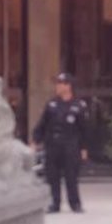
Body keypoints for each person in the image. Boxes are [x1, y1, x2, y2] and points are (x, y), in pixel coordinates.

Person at [33, 72, 89, 213]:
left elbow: (84, 129)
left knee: (71, 175)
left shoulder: (79, 105)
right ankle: (55, 203)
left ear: (68, 86)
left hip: (71, 145)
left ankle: (75, 203)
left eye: (60, 84)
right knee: (52, 176)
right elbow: (42, 124)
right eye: (57, 83)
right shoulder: (52, 105)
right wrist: (35, 141)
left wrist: (84, 148)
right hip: (53, 144)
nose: (57, 86)